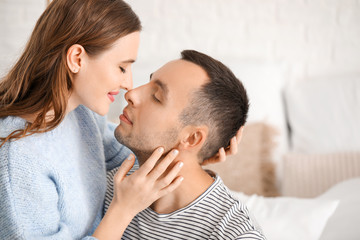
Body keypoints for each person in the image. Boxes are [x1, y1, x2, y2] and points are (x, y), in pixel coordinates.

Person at [0, 0, 240, 239]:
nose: (129, 86)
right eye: (122, 68)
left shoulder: (82, 115)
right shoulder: (20, 159)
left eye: (156, 96)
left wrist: (194, 153)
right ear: (76, 59)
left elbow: (136, 150)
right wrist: (123, 210)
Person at [105, 50, 266, 239]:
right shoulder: (113, 183)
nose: (131, 93)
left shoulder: (234, 234)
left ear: (191, 139)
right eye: (148, 82)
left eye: (156, 96)